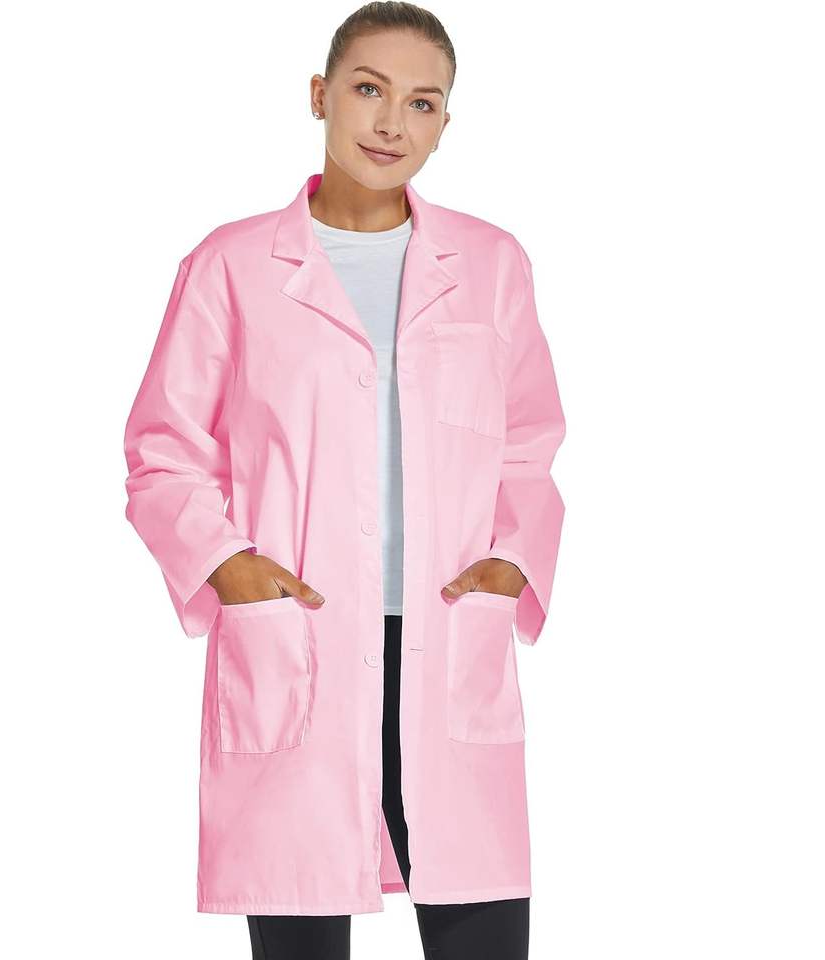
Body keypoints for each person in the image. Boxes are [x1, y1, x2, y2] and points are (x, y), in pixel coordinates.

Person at [123, 3, 565, 958]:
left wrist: (512, 565)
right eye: (369, 89)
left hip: (448, 635)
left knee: (479, 919)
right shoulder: (232, 264)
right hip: (302, 635)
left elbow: (530, 442)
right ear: (321, 95)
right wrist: (229, 565)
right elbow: (162, 450)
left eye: (422, 102)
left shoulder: (491, 265)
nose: (391, 123)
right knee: (302, 922)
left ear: (446, 122)